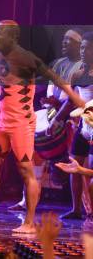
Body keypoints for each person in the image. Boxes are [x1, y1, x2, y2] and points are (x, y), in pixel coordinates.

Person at [0, 20, 84, 234]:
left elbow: (56, 78)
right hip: (3, 121)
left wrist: (75, 99)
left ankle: (30, 223)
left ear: (13, 38)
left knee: (26, 171)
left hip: (21, 123)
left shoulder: (25, 58)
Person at [52, 31, 93, 220]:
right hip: (83, 128)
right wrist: (57, 119)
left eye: (87, 47)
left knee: (90, 171)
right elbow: (71, 100)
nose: (83, 51)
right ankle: (77, 209)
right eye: (82, 47)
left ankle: (91, 211)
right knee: (75, 165)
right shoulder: (78, 73)